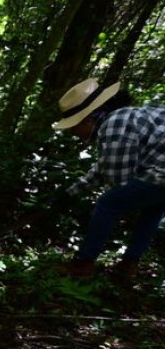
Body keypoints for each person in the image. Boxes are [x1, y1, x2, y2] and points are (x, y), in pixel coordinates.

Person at [53, 78, 165, 277]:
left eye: (73, 126)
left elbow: (118, 180)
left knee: (108, 203)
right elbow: (105, 167)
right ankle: (129, 264)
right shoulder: (124, 118)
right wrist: (70, 193)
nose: (72, 132)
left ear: (87, 118)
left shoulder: (114, 124)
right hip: (160, 171)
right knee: (153, 207)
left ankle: (83, 264)